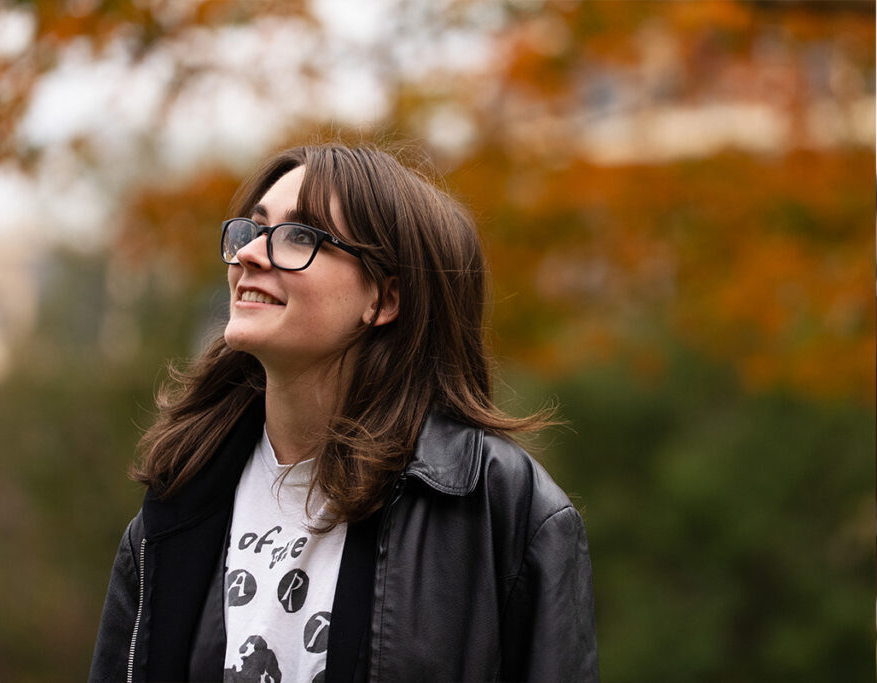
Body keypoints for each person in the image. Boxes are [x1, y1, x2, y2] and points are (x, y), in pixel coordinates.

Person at [89, 143, 599, 682]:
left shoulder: (504, 511)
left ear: (383, 299)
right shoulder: (181, 499)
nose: (250, 255)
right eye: (253, 230)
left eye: (299, 237)